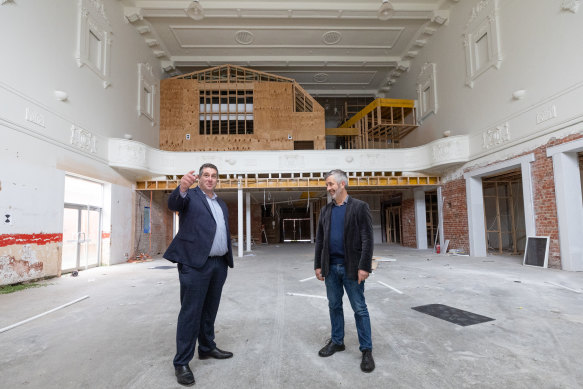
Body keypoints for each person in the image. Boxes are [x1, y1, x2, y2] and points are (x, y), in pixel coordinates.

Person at [163, 163, 234, 387]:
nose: (210, 179)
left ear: (217, 179)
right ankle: (181, 363)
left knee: (209, 310)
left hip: (218, 264)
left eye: (213, 176)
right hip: (195, 265)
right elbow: (174, 203)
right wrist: (181, 187)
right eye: (206, 175)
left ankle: (206, 347)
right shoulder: (189, 197)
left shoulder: (220, 203)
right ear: (199, 179)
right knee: (190, 313)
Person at [314, 169, 375, 373]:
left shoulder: (359, 207)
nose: (328, 188)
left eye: (331, 184)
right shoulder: (326, 211)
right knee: (334, 305)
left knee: (359, 308)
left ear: (342, 184)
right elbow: (320, 241)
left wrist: (364, 266)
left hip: (352, 268)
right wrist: (318, 264)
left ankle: (366, 350)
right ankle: (337, 341)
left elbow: (367, 239)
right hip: (330, 267)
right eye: (327, 185)